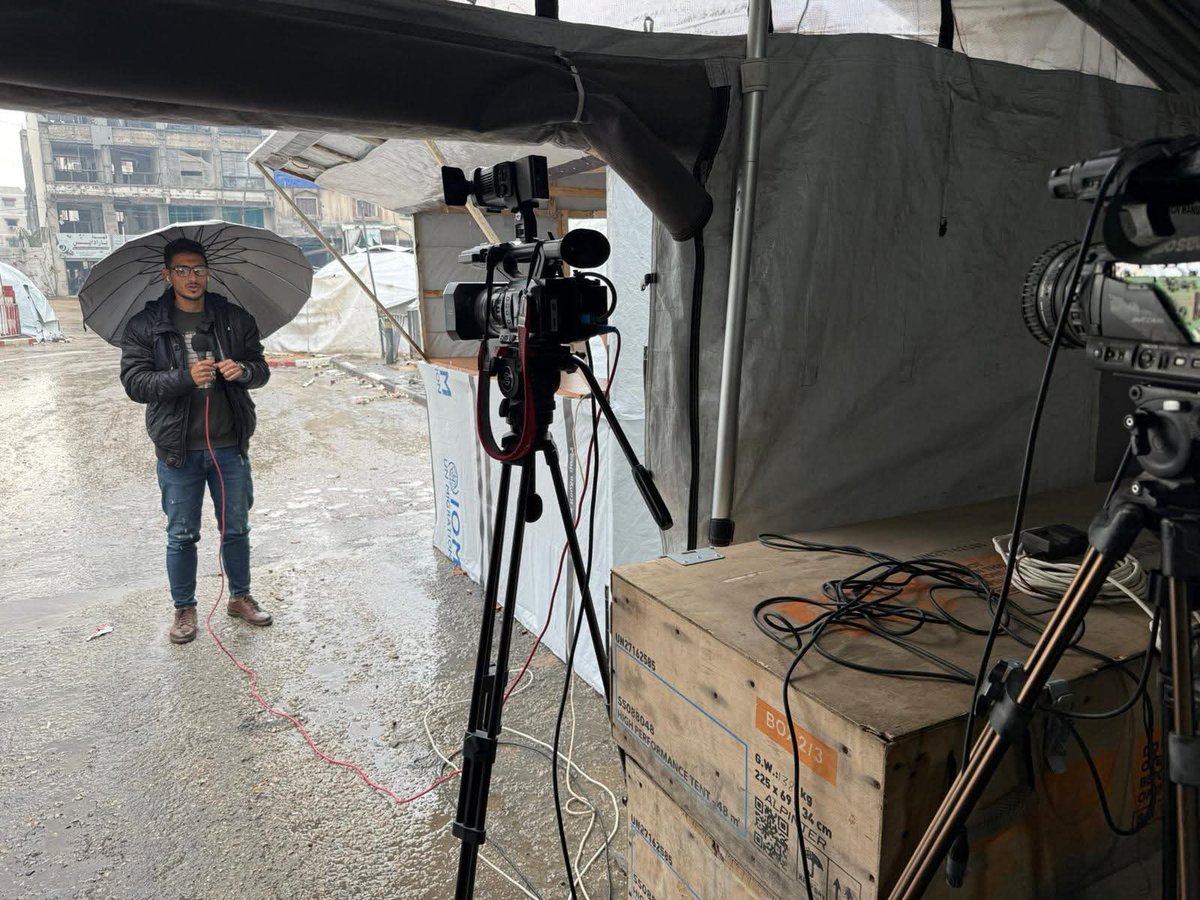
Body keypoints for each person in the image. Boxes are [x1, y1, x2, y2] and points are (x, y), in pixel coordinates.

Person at [120, 237, 273, 644]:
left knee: (236, 528)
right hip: (178, 450)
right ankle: (184, 609)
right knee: (182, 533)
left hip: (228, 445)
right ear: (166, 274)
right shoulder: (145, 326)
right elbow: (135, 383)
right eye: (183, 270)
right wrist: (185, 377)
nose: (192, 278)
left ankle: (240, 597)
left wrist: (242, 370)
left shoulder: (234, 319)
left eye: (199, 269)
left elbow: (261, 368)